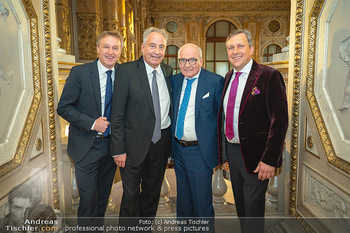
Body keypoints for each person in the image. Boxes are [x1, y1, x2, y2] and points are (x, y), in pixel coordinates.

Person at [218, 29, 288, 233]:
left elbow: (280, 120)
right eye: (230, 47)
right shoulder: (228, 76)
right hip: (233, 152)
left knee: (254, 209)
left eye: (240, 46)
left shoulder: (268, 75)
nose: (235, 51)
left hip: (259, 157)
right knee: (240, 206)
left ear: (251, 48)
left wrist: (269, 159)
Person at [57, 31, 123, 227]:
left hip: (111, 148)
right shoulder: (81, 73)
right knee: (88, 200)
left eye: (115, 48)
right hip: (86, 146)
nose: (110, 52)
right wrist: (92, 123)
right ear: (97, 49)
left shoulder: (125, 74)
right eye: (106, 47)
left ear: (120, 51)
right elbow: (64, 107)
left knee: (102, 199)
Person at [111, 27, 172, 224]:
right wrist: (118, 149)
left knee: (152, 194)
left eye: (161, 47)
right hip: (132, 146)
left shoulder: (167, 71)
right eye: (152, 45)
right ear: (143, 46)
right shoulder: (126, 71)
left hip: (160, 143)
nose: (157, 51)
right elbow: (117, 114)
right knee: (130, 196)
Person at [171, 43, 223, 231]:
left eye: (192, 60)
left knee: (202, 201)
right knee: (183, 201)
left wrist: (221, 154)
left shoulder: (215, 82)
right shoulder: (175, 81)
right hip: (178, 149)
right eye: (183, 60)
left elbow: (221, 119)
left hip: (200, 151)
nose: (187, 64)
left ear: (201, 60)